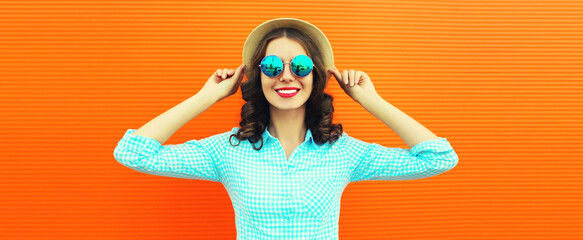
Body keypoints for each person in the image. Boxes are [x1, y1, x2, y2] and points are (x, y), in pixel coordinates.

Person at [114, 18, 459, 239]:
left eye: (301, 65)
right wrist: (208, 96)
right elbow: (132, 152)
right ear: (258, 75)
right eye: (272, 65)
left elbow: (439, 158)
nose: (287, 75)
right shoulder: (227, 151)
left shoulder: (345, 152)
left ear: (316, 76)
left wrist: (371, 101)